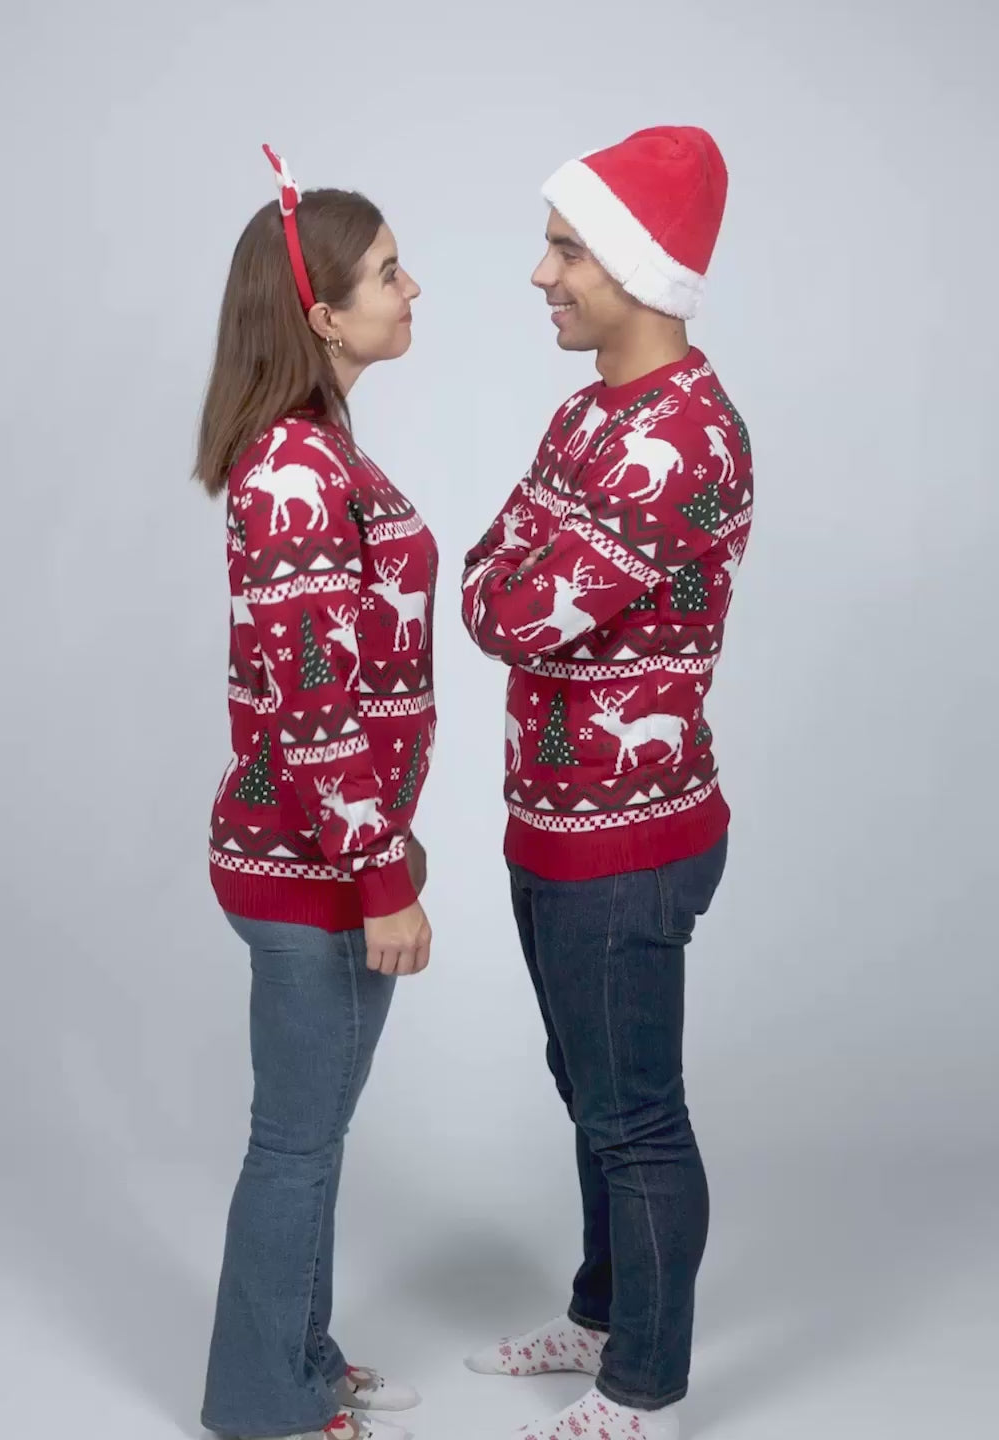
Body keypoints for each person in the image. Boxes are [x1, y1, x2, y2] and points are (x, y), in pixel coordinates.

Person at [460, 127, 752, 1440]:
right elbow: (491, 566)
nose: (542, 273)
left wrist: (527, 578)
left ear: (639, 269)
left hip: (632, 840)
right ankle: (600, 1312)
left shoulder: (677, 443)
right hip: (555, 821)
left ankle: (645, 1391)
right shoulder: (587, 416)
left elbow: (516, 615)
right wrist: (524, 577)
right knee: (588, 1086)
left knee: (634, 1114)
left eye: (568, 248)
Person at [194, 146, 435, 1440]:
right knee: (295, 1143)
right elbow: (314, 702)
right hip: (309, 870)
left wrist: (385, 845)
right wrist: (381, 872)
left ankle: (301, 1353)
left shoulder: (318, 445)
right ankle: (260, 1406)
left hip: (327, 854)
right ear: (323, 314)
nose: (415, 287)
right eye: (390, 271)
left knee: (312, 1138)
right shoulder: (294, 470)